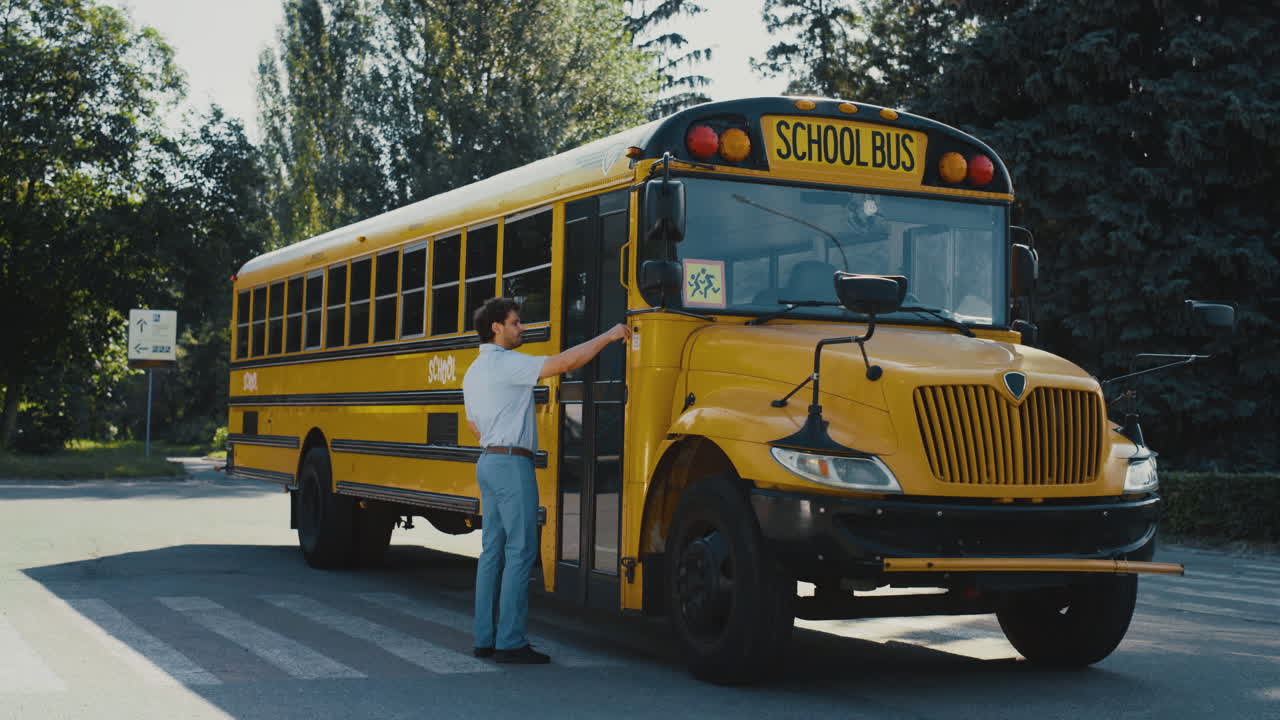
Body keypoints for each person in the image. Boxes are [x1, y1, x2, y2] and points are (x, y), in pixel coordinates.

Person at [462, 297, 631, 664]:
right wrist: (609, 335)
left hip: (488, 460)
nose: (522, 328)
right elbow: (565, 363)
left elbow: (473, 425)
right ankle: (510, 642)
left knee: (491, 552)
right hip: (511, 463)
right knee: (521, 551)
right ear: (497, 328)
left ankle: (484, 639)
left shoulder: (472, 371)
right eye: (516, 323)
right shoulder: (507, 363)